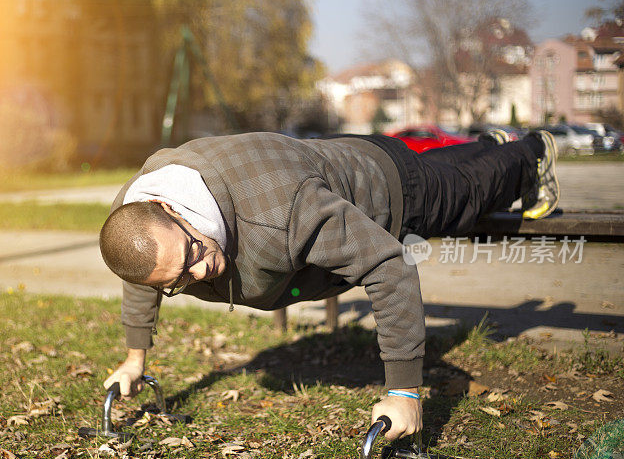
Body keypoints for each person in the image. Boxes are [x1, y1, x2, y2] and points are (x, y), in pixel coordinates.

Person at [98, 129, 559, 441]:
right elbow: (145, 273)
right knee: (455, 171)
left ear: (177, 210)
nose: (197, 273)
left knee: (467, 195)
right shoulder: (138, 216)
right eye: (178, 281)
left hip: (389, 188)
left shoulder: (281, 214)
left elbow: (389, 267)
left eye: (193, 256)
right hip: (322, 164)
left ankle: (530, 152)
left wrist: (403, 391)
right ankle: (491, 144)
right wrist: (136, 357)